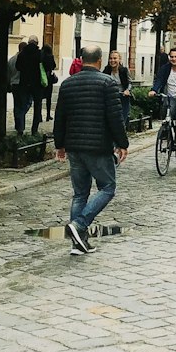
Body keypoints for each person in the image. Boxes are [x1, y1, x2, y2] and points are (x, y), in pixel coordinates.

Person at [53, 45, 129, 255]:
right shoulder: (108, 83)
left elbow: (60, 117)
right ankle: (79, 225)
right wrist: (123, 143)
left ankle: (78, 244)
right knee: (108, 187)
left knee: (79, 194)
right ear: (99, 60)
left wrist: (59, 144)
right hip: (98, 147)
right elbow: (115, 117)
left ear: (82, 59)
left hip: (75, 146)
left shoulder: (67, 84)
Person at [14, 36, 42, 134]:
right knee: (37, 107)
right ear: (36, 43)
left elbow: (18, 67)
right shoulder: (39, 53)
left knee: (22, 105)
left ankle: (20, 129)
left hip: (24, 82)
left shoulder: (22, 54)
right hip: (36, 83)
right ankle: (34, 130)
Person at [106, 49, 132, 118]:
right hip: (110, 98)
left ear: (119, 59)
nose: (112, 60)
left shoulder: (124, 70)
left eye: (115, 58)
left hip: (122, 97)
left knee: (122, 118)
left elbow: (130, 82)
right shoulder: (107, 70)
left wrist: (127, 90)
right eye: (111, 58)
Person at [41, 41, 58, 121]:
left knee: (40, 98)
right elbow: (54, 65)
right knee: (49, 98)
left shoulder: (41, 56)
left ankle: (39, 116)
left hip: (41, 78)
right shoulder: (50, 56)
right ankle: (48, 115)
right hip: (49, 79)